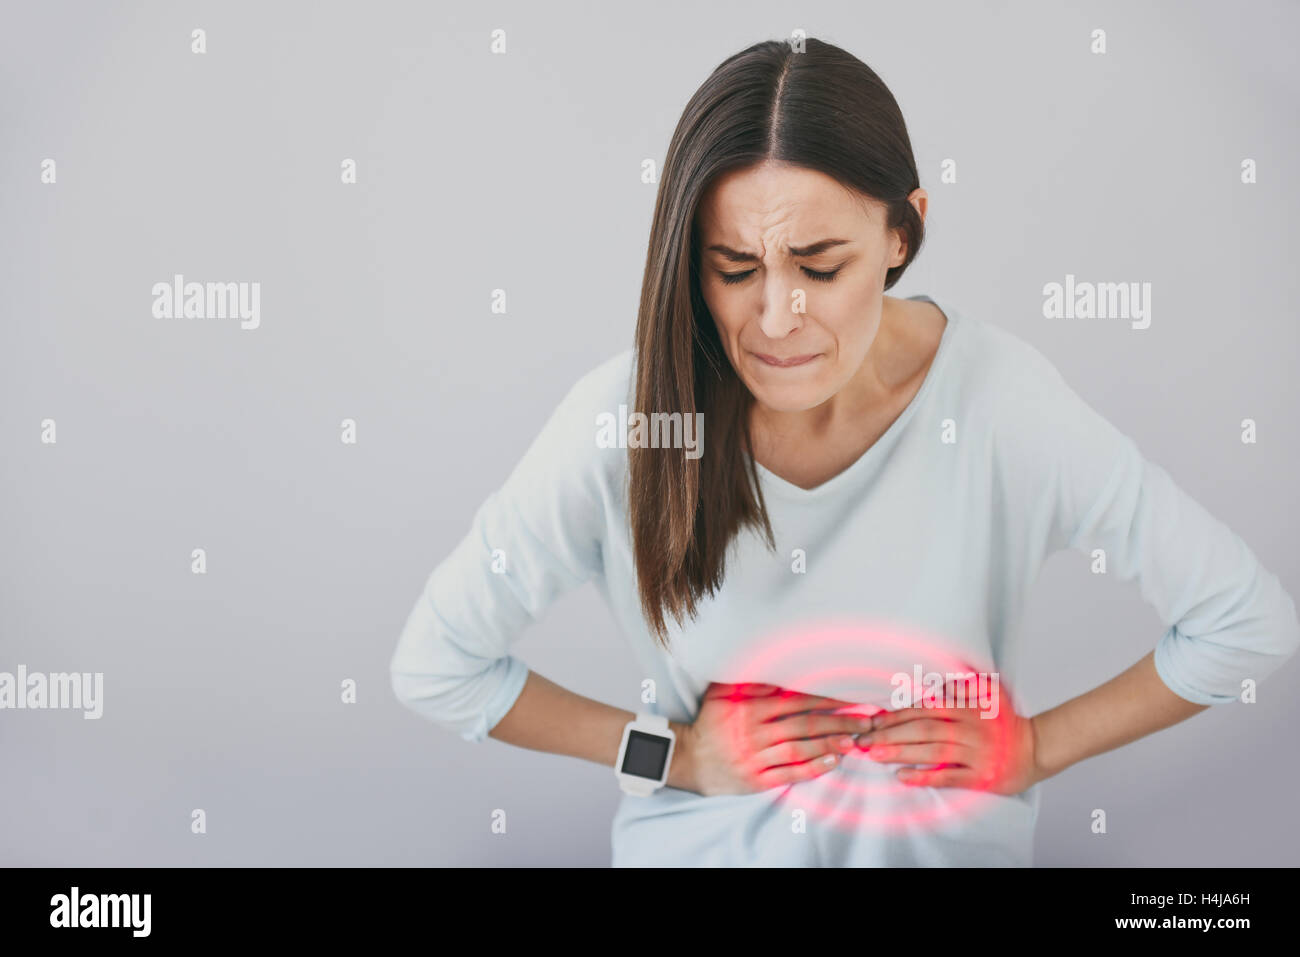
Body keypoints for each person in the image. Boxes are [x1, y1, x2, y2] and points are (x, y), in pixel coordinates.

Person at [388, 37, 1300, 866]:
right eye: (734, 268)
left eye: (820, 268)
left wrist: (1034, 747)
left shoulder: (999, 404)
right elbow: (436, 663)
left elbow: (1246, 621)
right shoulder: (630, 419)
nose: (776, 319)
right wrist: (673, 753)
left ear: (902, 234)